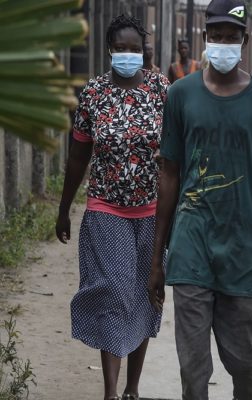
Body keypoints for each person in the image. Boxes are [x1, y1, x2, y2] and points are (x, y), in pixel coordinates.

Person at [147, 0, 252, 399]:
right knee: (193, 369)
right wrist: (157, 258)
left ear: (244, 42)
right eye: (217, 36)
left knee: (246, 367)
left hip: (240, 249)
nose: (223, 44)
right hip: (190, 245)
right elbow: (168, 176)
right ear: (206, 39)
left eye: (232, 37)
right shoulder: (180, 94)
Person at [55, 14, 169, 400]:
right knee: (114, 294)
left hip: (152, 213)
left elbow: (174, 157)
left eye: (134, 49)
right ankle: (109, 392)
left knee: (143, 296)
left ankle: (133, 389)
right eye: (120, 48)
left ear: (144, 51)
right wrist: (63, 208)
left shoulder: (160, 90)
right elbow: (78, 156)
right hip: (106, 211)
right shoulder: (94, 93)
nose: (127, 54)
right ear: (109, 50)